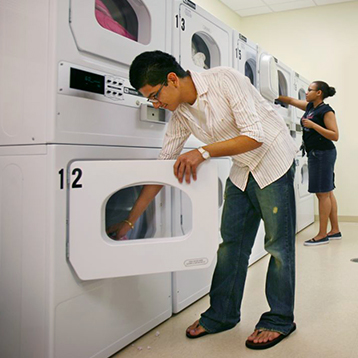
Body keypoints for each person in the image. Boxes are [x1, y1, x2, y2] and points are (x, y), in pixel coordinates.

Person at [107, 51, 298, 350]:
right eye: (151, 101)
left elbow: (255, 135)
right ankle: (222, 314)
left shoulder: (225, 79)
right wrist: (130, 220)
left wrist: (203, 152)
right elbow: (163, 167)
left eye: (156, 96)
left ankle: (279, 319)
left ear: (172, 79)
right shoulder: (181, 114)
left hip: (273, 160)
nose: (157, 105)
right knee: (230, 245)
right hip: (242, 170)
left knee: (278, 247)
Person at [277, 81, 341, 246]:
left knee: (322, 194)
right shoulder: (309, 108)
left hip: (323, 154)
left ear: (319, 93)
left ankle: (322, 235)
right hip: (317, 153)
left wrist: (313, 125)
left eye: (310, 90)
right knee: (328, 192)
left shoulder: (326, 111)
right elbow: (291, 101)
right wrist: (270, 95)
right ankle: (334, 230)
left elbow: (335, 135)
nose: (306, 92)